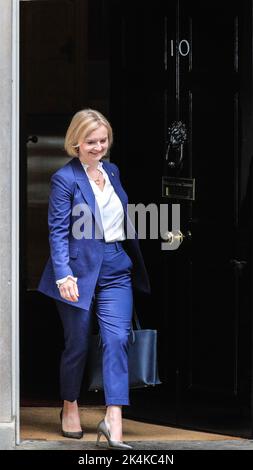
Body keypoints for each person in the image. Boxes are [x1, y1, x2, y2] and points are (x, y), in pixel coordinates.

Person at [38, 109, 150, 449]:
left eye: (103, 141)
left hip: (116, 266)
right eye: (91, 142)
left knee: (117, 340)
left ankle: (112, 417)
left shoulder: (112, 171)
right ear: (75, 142)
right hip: (78, 272)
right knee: (78, 344)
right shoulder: (64, 179)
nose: (98, 147)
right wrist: (63, 276)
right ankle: (69, 403)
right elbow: (57, 232)